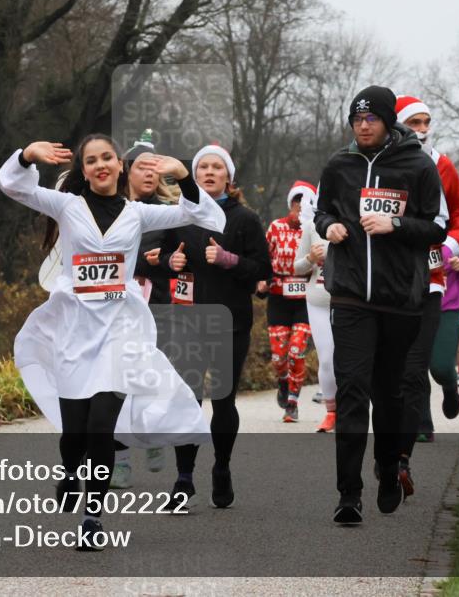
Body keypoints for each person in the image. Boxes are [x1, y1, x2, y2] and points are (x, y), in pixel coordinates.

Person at [0, 136, 222, 550]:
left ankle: (92, 516)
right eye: (91, 161)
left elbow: (202, 215)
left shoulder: (138, 214)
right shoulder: (66, 206)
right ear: (83, 171)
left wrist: (184, 175)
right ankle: (69, 471)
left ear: (120, 166)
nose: (100, 165)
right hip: (74, 331)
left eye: (107, 158)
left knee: (102, 427)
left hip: (119, 332)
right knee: (74, 434)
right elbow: (14, 186)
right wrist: (28, 154)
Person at [313, 85, 447, 525]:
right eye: (357, 119)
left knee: (389, 395)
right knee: (352, 390)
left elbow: (437, 227)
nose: (363, 125)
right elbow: (321, 211)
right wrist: (330, 225)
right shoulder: (339, 165)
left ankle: (389, 469)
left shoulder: (417, 165)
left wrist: (395, 223)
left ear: (388, 121)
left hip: (401, 297)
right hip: (350, 295)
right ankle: (348, 494)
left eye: (371, 119)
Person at [161, 144, 271, 509]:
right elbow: (159, 257)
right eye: (202, 167)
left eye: (216, 167)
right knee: (188, 399)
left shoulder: (244, 219)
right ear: (193, 176)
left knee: (222, 402)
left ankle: (221, 467)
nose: (209, 172)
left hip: (230, 320)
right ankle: (184, 478)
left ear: (229, 177)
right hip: (187, 319)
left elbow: (262, 269)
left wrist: (230, 260)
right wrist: (170, 260)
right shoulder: (178, 216)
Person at [394, 95, 459, 482]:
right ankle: (419, 425)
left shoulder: (443, 164)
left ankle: (449, 388)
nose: (422, 130)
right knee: (409, 359)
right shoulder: (383, 163)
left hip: (436, 276)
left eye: (426, 122)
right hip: (394, 273)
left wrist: (451, 245)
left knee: (437, 363)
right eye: (414, 123)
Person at [110, 129, 176, 488]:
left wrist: (161, 261)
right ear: (127, 170)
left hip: (158, 306)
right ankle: (119, 459)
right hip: (116, 309)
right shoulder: (112, 210)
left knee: (151, 380)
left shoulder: (167, 214)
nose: (150, 174)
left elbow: (183, 259)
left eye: (155, 169)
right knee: (116, 384)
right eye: (142, 167)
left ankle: (153, 436)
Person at [260, 181, 314, 423]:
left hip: (305, 298)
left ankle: (292, 401)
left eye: (305, 205)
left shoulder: (314, 229)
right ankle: (283, 381)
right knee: (279, 356)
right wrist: (261, 280)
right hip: (279, 296)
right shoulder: (276, 227)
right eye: (296, 204)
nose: (300, 209)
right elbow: (263, 256)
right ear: (290, 204)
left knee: (297, 349)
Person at [292, 184, 335, 432]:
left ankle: (355, 410)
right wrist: (310, 258)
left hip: (350, 300)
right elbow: (297, 267)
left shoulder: (354, 223)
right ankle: (332, 411)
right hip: (318, 301)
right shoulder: (311, 226)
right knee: (327, 360)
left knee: (351, 360)